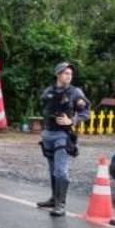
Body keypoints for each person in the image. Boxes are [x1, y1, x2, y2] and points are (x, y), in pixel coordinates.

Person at [37, 62, 91, 216]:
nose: (69, 76)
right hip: (48, 134)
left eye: (70, 74)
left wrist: (72, 121)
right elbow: (46, 110)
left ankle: (60, 204)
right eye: (66, 73)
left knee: (61, 171)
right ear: (58, 74)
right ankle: (54, 199)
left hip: (63, 135)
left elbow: (86, 113)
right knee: (53, 170)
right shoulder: (48, 91)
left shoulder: (75, 92)